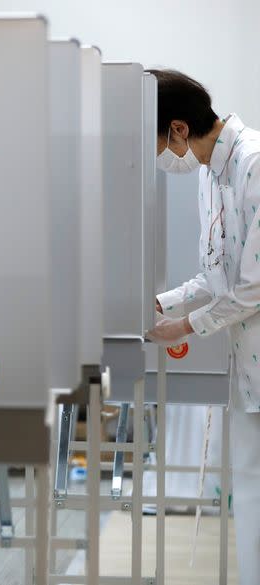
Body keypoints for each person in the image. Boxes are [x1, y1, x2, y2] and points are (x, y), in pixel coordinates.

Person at [145, 69, 260, 585]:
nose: (162, 162)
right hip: (247, 369)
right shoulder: (211, 176)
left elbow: (255, 286)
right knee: (252, 494)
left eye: (156, 147)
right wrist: (160, 302)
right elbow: (213, 275)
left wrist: (185, 327)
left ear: (177, 129)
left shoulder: (255, 165)